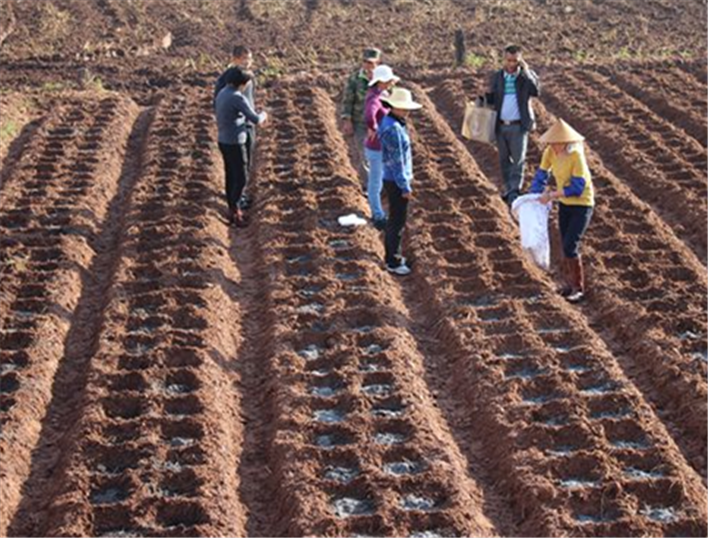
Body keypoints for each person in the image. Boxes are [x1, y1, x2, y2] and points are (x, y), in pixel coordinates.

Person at [529, 119, 594, 303]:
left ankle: (578, 288)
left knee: (570, 244)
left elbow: (577, 187)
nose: (551, 146)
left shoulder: (576, 157)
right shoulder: (550, 152)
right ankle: (568, 284)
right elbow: (542, 175)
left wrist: (551, 195)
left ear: (564, 142)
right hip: (566, 204)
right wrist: (533, 196)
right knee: (565, 242)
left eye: (555, 143)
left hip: (582, 204)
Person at [486, 44, 541, 206]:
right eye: (509, 60)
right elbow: (493, 97)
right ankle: (508, 187)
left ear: (520, 60)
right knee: (504, 159)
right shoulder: (497, 77)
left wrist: (526, 71)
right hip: (501, 124)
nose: (511, 64)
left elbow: (536, 91)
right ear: (504, 59)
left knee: (518, 160)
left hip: (518, 125)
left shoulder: (525, 77)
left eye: (515, 61)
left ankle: (514, 190)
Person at [215, 68, 268, 227]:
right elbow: (255, 119)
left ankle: (231, 206)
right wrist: (265, 114)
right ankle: (236, 210)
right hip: (236, 141)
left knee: (230, 174)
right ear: (242, 84)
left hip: (223, 140)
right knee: (242, 176)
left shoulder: (222, 93)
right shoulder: (237, 97)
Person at [378, 88, 422, 276]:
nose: (407, 111)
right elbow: (398, 162)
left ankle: (394, 256)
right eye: (403, 108)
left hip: (391, 178)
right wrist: (405, 186)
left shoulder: (391, 122)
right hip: (395, 180)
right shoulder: (393, 129)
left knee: (396, 220)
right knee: (397, 221)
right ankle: (393, 261)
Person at [214, 45, 257, 209]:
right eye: (245, 59)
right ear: (234, 59)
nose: (249, 62)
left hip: (247, 124)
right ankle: (234, 200)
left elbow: (250, 100)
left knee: (245, 163)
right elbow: (218, 103)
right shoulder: (225, 79)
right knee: (235, 166)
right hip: (235, 128)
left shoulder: (250, 77)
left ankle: (239, 195)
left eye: (250, 58)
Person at [341, 47, 381, 192]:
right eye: (365, 62)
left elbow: (390, 99)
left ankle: (382, 183)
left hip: (379, 123)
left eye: (371, 63)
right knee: (364, 154)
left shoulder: (383, 78)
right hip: (360, 122)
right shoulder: (355, 79)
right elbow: (347, 101)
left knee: (380, 154)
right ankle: (369, 186)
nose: (368, 65)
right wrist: (347, 120)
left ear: (378, 63)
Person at [364, 64, 399, 230]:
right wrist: (374, 128)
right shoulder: (374, 98)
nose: (392, 83)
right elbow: (369, 115)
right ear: (382, 81)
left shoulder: (382, 94)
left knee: (381, 179)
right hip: (375, 147)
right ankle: (377, 215)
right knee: (375, 182)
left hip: (382, 146)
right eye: (389, 80)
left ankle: (381, 209)